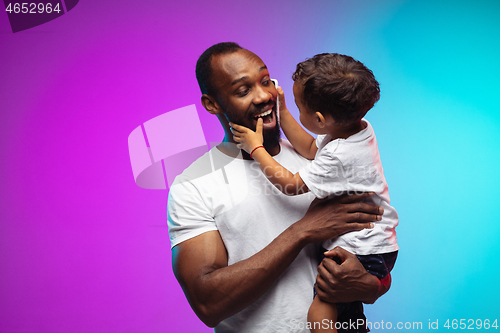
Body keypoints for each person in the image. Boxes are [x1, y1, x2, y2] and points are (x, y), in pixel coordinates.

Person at [167, 42, 391, 333]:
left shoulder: (324, 156)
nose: (263, 96)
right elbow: (208, 304)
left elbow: (372, 244)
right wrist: (302, 231)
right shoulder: (193, 185)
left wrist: (372, 285)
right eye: (243, 90)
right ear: (212, 104)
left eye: (265, 81)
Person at [230, 53, 399, 332]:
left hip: (361, 250)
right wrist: (282, 112)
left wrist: (255, 147)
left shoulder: (339, 156)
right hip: (378, 246)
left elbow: (291, 185)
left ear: (320, 119)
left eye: (298, 107)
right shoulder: (356, 131)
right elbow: (311, 147)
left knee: (319, 314)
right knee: (343, 319)